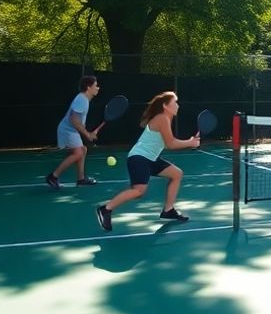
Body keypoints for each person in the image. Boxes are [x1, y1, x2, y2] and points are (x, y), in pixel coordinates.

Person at [94, 91, 201, 231]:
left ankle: (168, 210)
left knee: (176, 174)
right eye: (175, 102)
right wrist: (190, 143)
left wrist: (190, 142)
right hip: (139, 158)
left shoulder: (165, 118)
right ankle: (105, 209)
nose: (177, 105)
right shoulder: (162, 118)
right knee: (139, 191)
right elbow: (170, 144)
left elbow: (169, 143)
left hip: (150, 158)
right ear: (165, 106)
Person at [46, 75, 101, 189]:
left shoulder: (84, 99)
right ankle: (53, 176)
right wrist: (87, 134)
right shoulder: (82, 99)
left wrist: (88, 133)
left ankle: (81, 179)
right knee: (78, 153)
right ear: (88, 87)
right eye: (95, 86)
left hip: (71, 130)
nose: (98, 88)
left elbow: (79, 122)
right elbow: (73, 119)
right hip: (67, 130)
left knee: (83, 150)